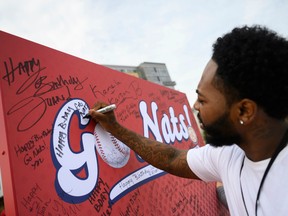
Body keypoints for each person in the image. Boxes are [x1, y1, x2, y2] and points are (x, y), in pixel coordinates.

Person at [88, 25, 288, 216]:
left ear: (244, 111)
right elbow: (172, 158)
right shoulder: (230, 154)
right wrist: (115, 128)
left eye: (202, 100)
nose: (195, 106)